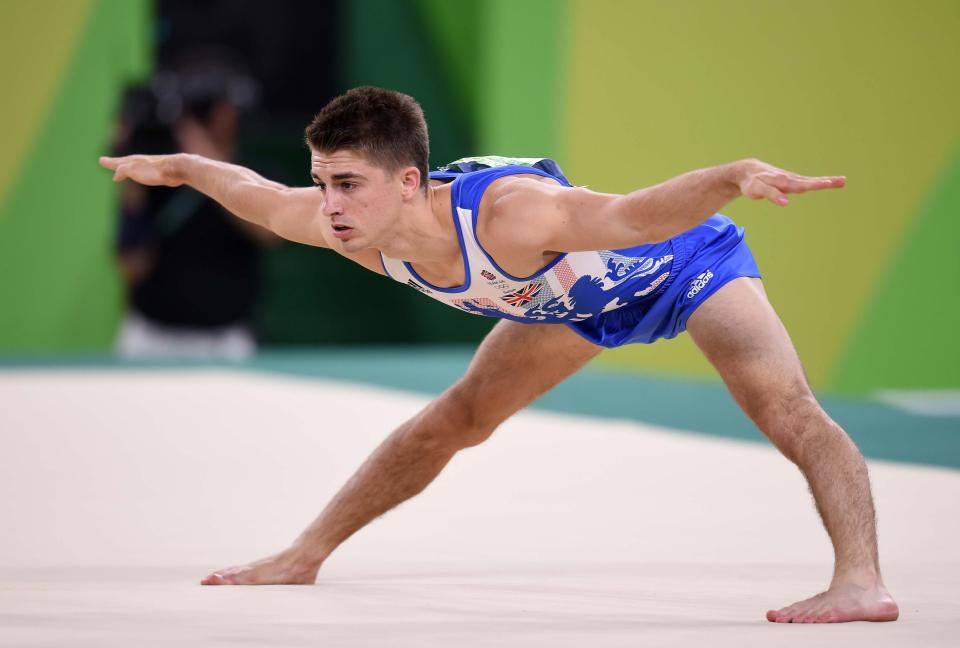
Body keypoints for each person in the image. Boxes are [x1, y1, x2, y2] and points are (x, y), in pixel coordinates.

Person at [99, 86, 899, 624]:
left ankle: (860, 583)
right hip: (562, 305)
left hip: (682, 264)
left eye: (347, 184)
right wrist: (174, 166)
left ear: (408, 180)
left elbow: (632, 215)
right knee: (456, 418)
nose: (330, 207)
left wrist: (728, 176)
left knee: (782, 406)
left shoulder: (513, 216)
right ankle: (304, 555)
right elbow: (251, 191)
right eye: (323, 182)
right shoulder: (346, 227)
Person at [112, 61, 275, 360]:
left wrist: (199, 162)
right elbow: (132, 264)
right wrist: (133, 179)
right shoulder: (158, 179)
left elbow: (269, 233)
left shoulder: (254, 176)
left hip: (224, 340)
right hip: (151, 336)